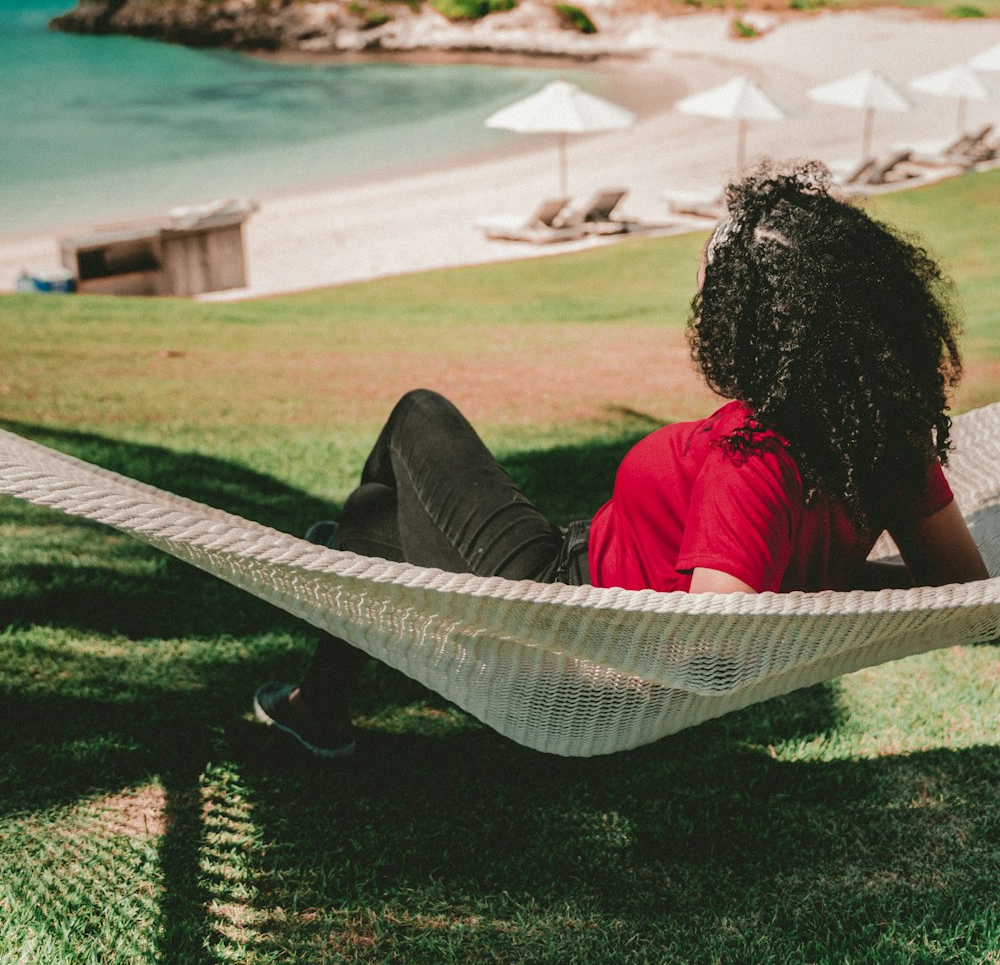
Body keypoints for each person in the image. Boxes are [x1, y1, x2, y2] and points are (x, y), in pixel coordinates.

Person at [254, 162, 988, 759]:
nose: (702, 291)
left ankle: (337, 613)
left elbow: (712, 651)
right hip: (581, 572)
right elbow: (955, 590)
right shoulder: (884, 440)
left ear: (755, 322)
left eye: (714, 281)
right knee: (367, 525)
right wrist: (823, 580)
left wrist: (796, 587)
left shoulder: (749, 460)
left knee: (418, 414)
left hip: (554, 613)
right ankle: (322, 678)